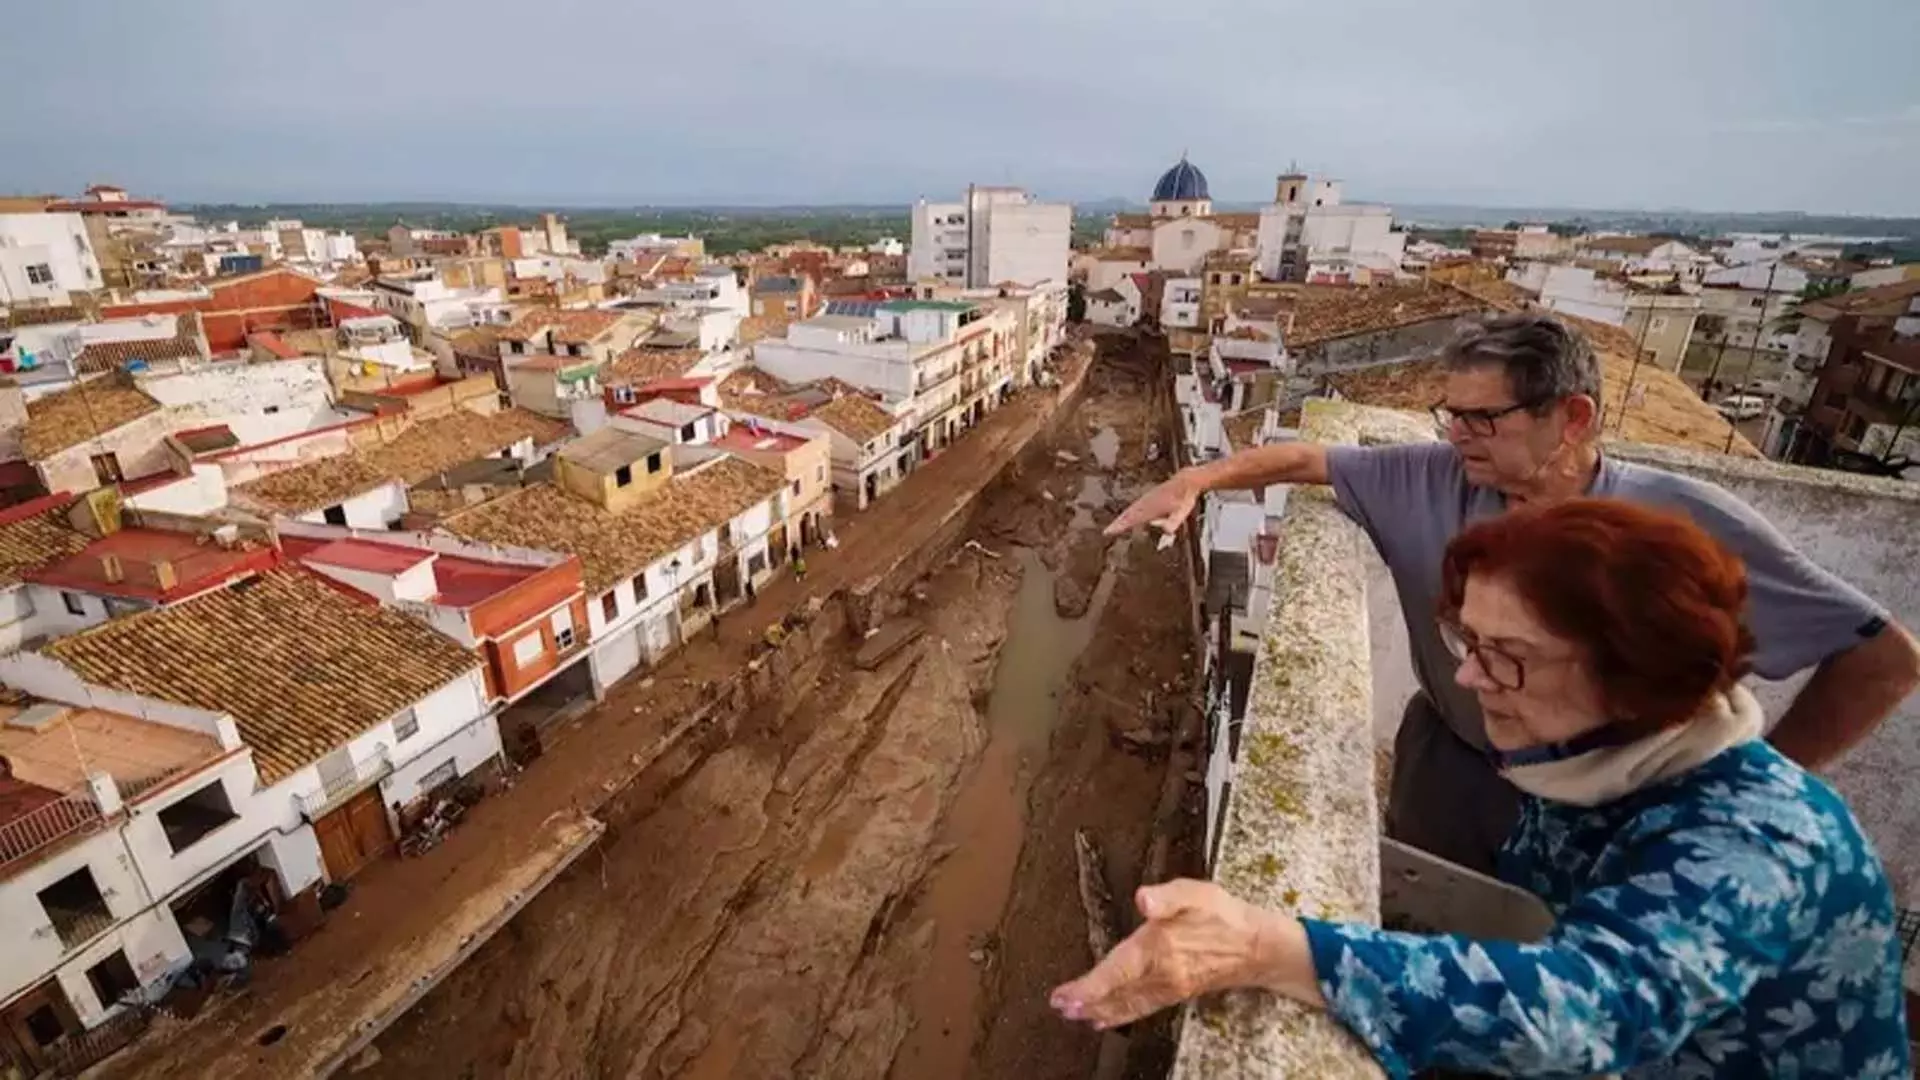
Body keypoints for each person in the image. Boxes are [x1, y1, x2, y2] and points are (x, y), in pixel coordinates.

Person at [1054, 500, 1911, 1077]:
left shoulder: (1758, 845)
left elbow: (1583, 1016)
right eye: (1468, 639)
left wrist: (1270, 948)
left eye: (1507, 654)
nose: (1467, 675)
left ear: (1633, 675)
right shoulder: (1597, 756)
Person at [1108, 312, 1919, 875]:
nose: (1454, 435)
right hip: (1452, 774)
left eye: (1482, 419)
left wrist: (1763, 780)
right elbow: (1301, 461)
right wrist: (1194, 480)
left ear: (1571, 418)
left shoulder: (1680, 524)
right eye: (1448, 413)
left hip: (1614, 810)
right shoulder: (1430, 476)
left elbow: (1883, 659)